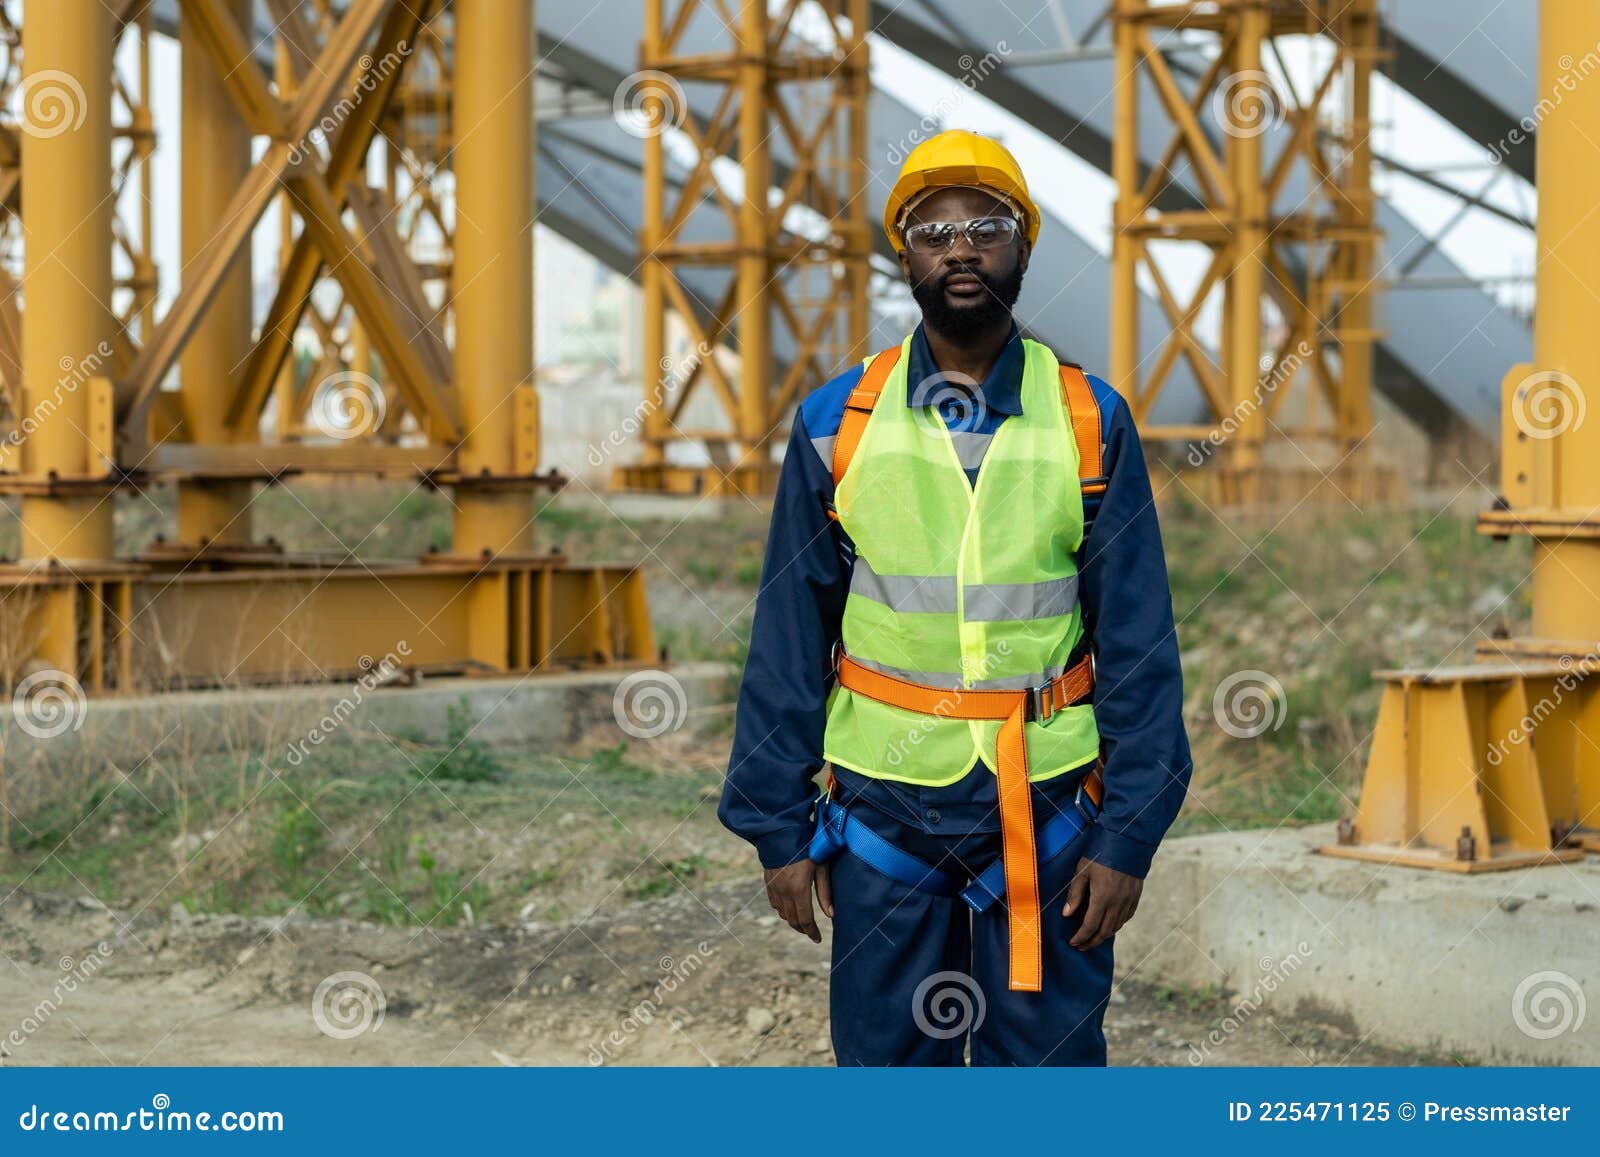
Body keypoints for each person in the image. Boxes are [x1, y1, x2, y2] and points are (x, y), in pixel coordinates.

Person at [719, 129, 1192, 1066]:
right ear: (905, 258)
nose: (960, 249)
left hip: (1050, 808)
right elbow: (789, 633)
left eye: (986, 228)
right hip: (884, 808)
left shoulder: (1090, 420)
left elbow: (1138, 639)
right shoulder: (836, 423)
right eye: (934, 233)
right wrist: (777, 826)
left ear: (1023, 249)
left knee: (1050, 1076)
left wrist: (1127, 835)